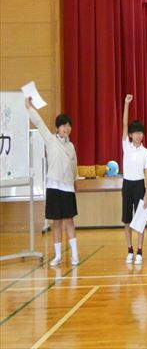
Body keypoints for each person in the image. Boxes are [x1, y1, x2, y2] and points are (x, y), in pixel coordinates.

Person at [25, 97, 79, 266]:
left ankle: (75, 255)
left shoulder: (71, 146)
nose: (66, 128)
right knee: (56, 222)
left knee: (69, 221)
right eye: (63, 125)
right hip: (53, 186)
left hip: (68, 187)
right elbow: (39, 122)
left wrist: (75, 181)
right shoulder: (50, 140)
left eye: (68, 125)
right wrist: (29, 107)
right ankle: (57, 256)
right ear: (57, 128)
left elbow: (74, 166)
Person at [121, 94, 147, 264]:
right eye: (136, 133)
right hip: (127, 185)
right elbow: (125, 123)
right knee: (127, 219)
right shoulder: (126, 145)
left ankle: (139, 251)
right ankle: (129, 249)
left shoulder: (146, 152)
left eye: (141, 132)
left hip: (140, 186)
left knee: (140, 220)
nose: (139, 135)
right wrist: (127, 104)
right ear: (130, 135)